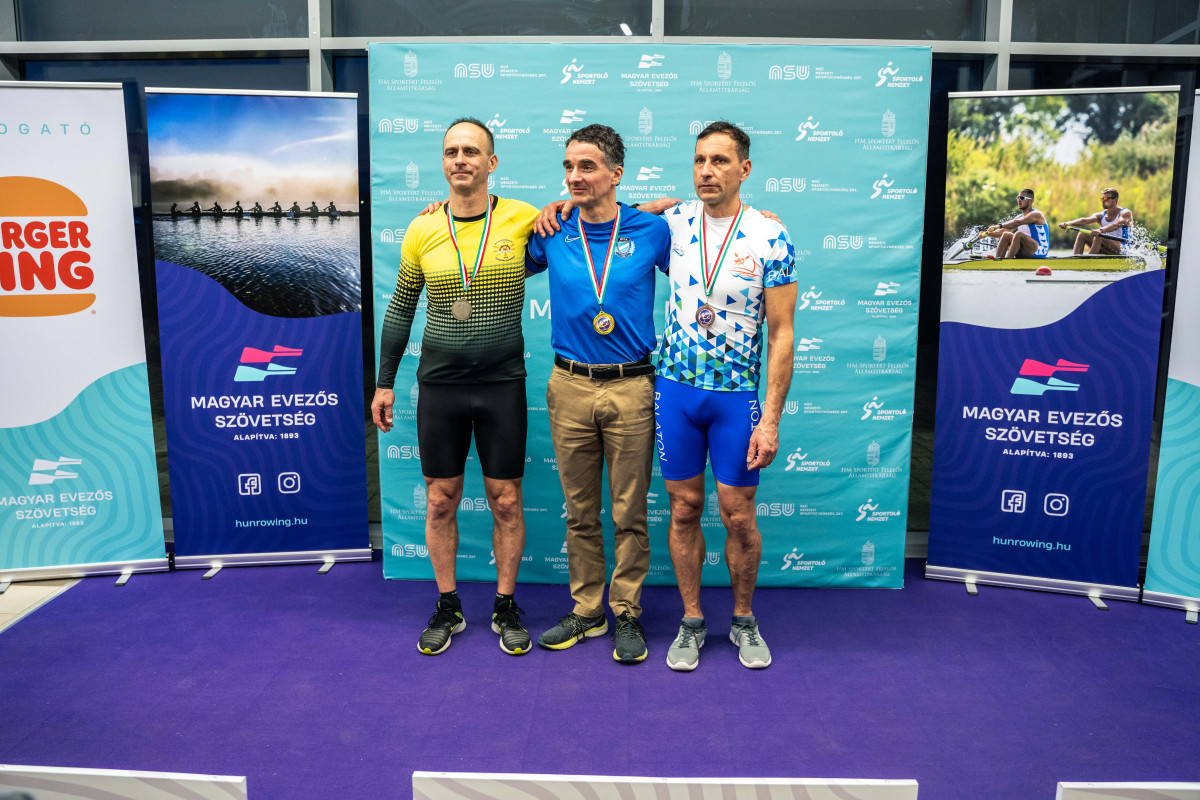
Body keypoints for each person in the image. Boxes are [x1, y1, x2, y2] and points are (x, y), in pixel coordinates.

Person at [371, 118, 539, 657]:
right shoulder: (423, 228)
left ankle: (505, 605)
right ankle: (448, 605)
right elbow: (401, 308)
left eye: (471, 151)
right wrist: (384, 383)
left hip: (502, 384)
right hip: (440, 385)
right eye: (451, 151)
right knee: (441, 499)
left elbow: (593, 223)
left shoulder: (523, 218)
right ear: (443, 162)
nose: (460, 159)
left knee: (506, 500)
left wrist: (661, 207)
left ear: (492, 162)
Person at [525, 124, 672, 664]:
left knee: (629, 511)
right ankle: (588, 610)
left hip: (632, 386)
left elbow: (712, 224)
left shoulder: (652, 229)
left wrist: (758, 220)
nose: (574, 176)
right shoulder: (551, 227)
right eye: (568, 166)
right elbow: (487, 236)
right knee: (580, 511)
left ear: (616, 173)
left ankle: (626, 610)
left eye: (586, 166)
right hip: (569, 385)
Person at [655, 121, 797, 671]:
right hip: (676, 391)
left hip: (736, 397)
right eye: (699, 160)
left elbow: (782, 334)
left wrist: (771, 420)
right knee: (684, 508)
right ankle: (692, 621)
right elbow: (609, 212)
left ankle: (742, 620)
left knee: (738, 515)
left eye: (719, 160)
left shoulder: (770, 235)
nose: (707, 171)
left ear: (745, 168)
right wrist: (560, 205)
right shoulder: (673, 221)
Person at [1059, 188, 1133, 254]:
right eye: (1102, 199)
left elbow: (1116, 225)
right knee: (1082, 234)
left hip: (1123, 248)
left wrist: (1101, 230)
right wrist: (1068, 223)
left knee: (1099, 236)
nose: (1103, 201)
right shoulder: (1100, 215)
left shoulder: (1125, 213)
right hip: (1108, 246)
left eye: (1106, 199)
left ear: (1115, 200)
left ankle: (1090, 261)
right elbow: (1084, 221)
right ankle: (1075, 260)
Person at [987, 189, 1049, 258]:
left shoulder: (1037, 214)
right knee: (1006, 234)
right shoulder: (1019, 217)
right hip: (1025, 250)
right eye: (1018, 198)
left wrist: (998, 226)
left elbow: (1018, 222)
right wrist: (987, 234)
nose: (1019, 201)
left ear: (1031, 201)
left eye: (1022, 198)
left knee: (1018, 234)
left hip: (1040, 251)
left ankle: (1008, 260)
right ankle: (998, 260)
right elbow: (1003, 230)